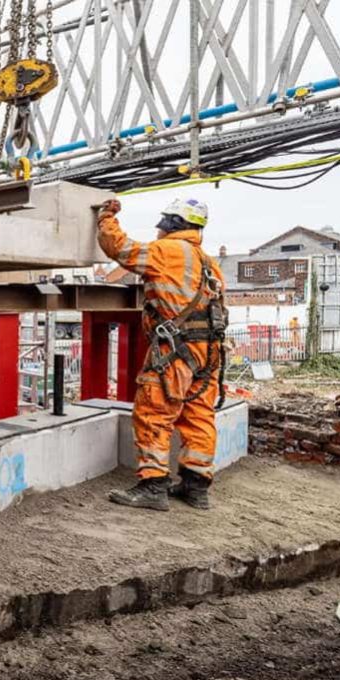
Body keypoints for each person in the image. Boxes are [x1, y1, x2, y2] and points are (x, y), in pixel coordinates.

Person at [98, 197, 228, 512]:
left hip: (175, 354)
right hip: (208, 355)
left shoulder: (166, 252)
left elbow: (120, 248)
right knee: (198, 417)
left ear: (171, 224)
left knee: (154, 413)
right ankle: (196, 488)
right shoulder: (210, 264)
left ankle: (153, 485)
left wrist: (106, 217)